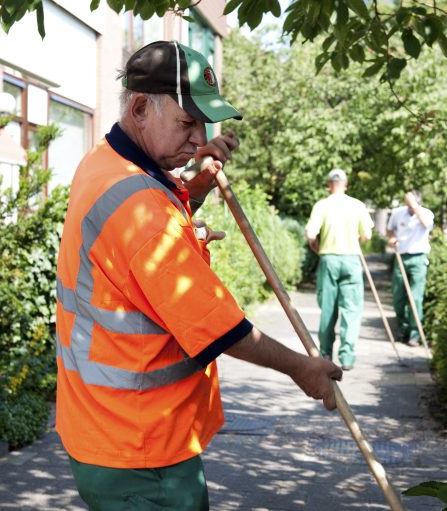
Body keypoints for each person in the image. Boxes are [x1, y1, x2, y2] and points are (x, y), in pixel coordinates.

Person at [55, 40, 342, 511]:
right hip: (141, 450)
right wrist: (303, 369)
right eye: (187, 123)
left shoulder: (105, 162)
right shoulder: (140, 207)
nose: (198, 138)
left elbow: (144, 229)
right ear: (142, 107)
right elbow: (218, 328)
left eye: (204, 124)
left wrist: (199, 181)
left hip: (110, 431)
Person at [305, 169, 374, 371]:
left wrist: (315, 246)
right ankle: (347, 356)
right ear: (346, 184)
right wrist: (356, 241)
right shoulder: (357, 205)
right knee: (351, 310)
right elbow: (367, 236)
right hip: (351, 259)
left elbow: (310, 234)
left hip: (329, 259)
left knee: (328, 308)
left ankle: (326, 353)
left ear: (329, 184)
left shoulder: (322, 205)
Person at [387, 190, 434, 347]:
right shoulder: (398, 213)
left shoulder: (426, 213)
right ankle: (403, 328)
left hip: (418, 258)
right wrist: (392, 239)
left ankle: (415, 334)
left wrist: (414, 205)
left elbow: (426, 223)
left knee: (415, 298)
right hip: (401, 257)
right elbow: (390, 231)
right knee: (398, 297)